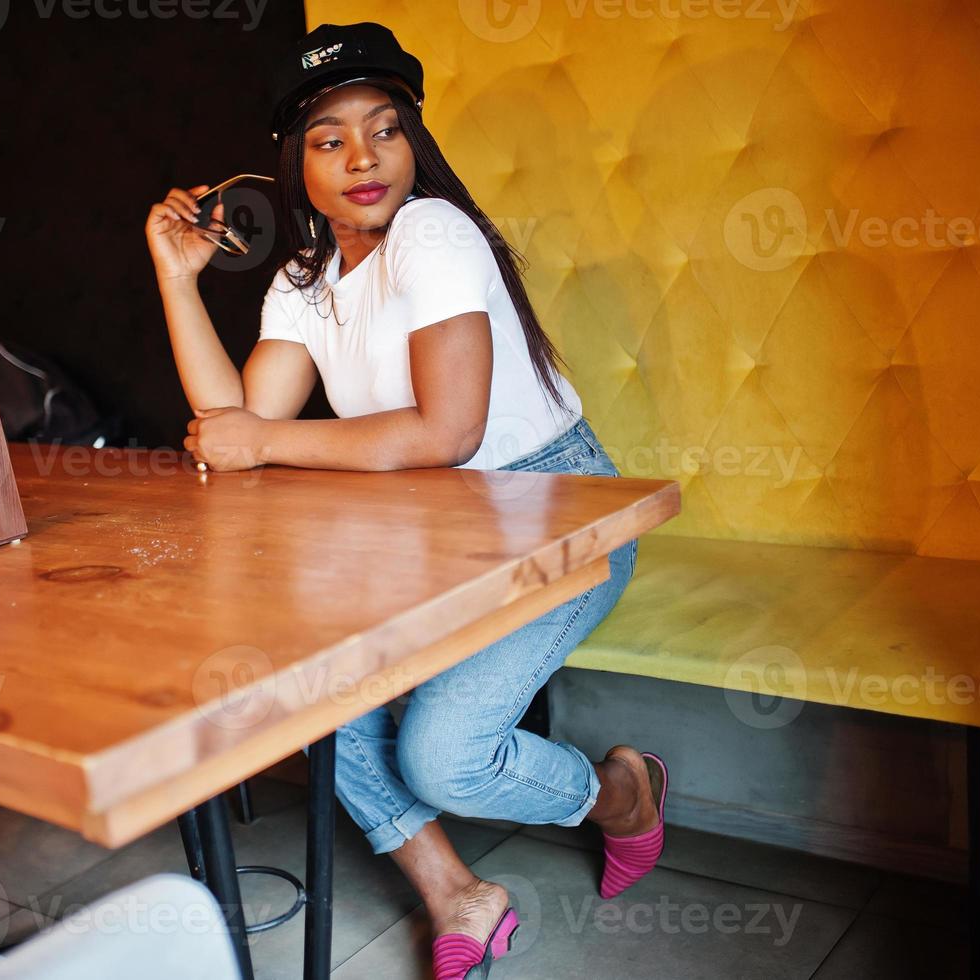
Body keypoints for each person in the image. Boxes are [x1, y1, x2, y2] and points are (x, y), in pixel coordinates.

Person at [145, 22, 665, 978]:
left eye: (383, 130)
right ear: (292, 164)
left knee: (442, 758)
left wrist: (256, 442)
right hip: (424, 531)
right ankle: (454, 891)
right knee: (311, 686)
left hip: (561, 515)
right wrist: (177, 279)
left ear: (413, 142)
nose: (361, 158)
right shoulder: (304, 281)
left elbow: (446, 433)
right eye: (328, 139)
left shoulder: (432, 229)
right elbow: (237, 428)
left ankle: (619, 794)